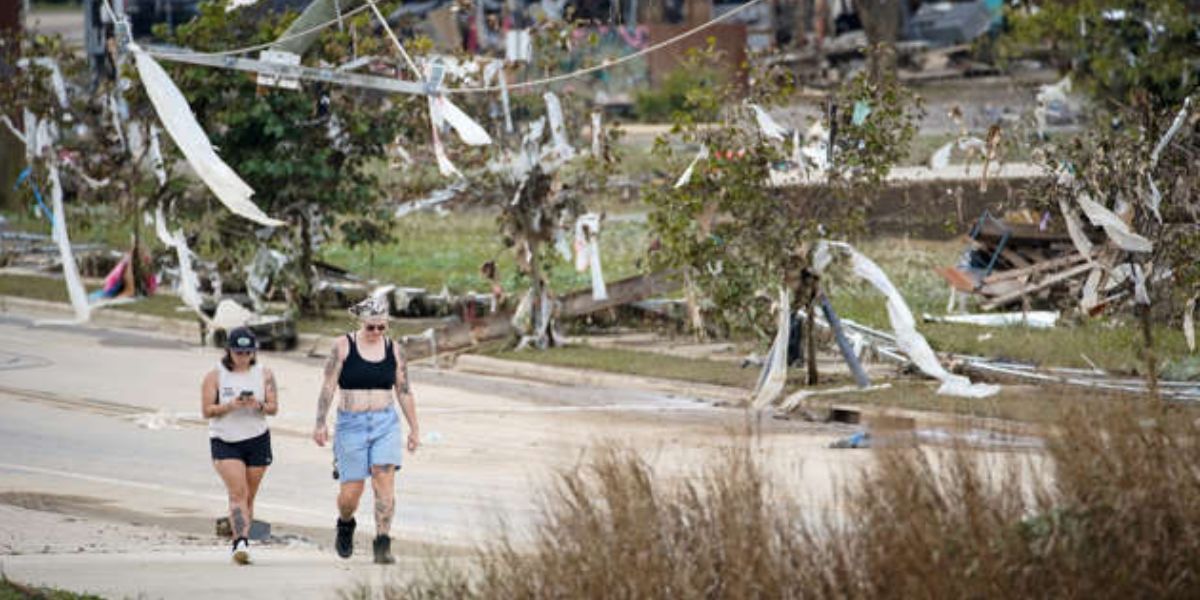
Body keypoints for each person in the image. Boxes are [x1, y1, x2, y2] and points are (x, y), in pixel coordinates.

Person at [313, 297, 420, 564]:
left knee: (384, 482)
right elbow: (328, 386)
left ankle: (382, 543)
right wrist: (320, 422)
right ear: (361, 322)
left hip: (385, 424)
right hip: (351, 425)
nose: (375, 333)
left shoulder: (394, 350)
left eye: (381, 328)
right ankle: (345, 523)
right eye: (370, 327)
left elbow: (404, 391)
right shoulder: (342, 346)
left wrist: (414, 428)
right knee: (351, 493)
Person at [201, 326, 278, 565]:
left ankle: (242, 537)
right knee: (238, 493)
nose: (243, 357)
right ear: (229, 351)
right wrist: (230, 406)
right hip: (225, 440)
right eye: (238, 353)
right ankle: (240, 543)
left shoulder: (265, 374)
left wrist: (258, 405)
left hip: (257, 439)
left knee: (249, 497)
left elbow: (273, 407)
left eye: (247, 352)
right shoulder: (215, 375)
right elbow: (207, 411)